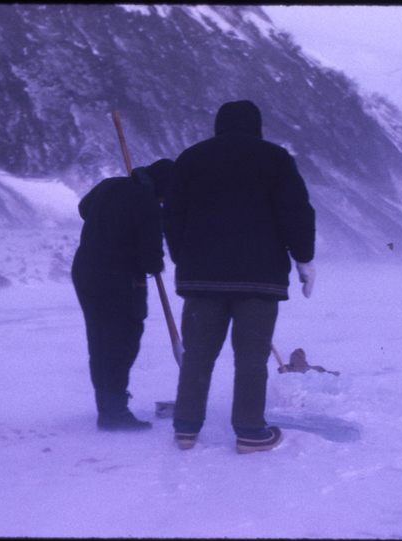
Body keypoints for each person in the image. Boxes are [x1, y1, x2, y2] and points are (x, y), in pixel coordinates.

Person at [163, 100, 316, 453]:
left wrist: (183, 256)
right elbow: (296, 212)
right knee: (251, 357)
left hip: (201, 279)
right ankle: (249, 431)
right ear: (257, 126)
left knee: (198, 354)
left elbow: (172, 215)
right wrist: (304, 258)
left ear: (219, 125)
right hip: (258, 280)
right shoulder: (276, 159)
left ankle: (186, 428)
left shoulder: (191, 159)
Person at [72, 159, 175, 431]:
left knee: (99, 341)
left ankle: (107, 407)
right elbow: (151, 261)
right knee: (121, 344)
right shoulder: (148, 204)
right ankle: (114, 412)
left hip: (86, 272)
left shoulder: (110, 185)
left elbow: (84, 208)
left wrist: (112, 220)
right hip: (120, 281)